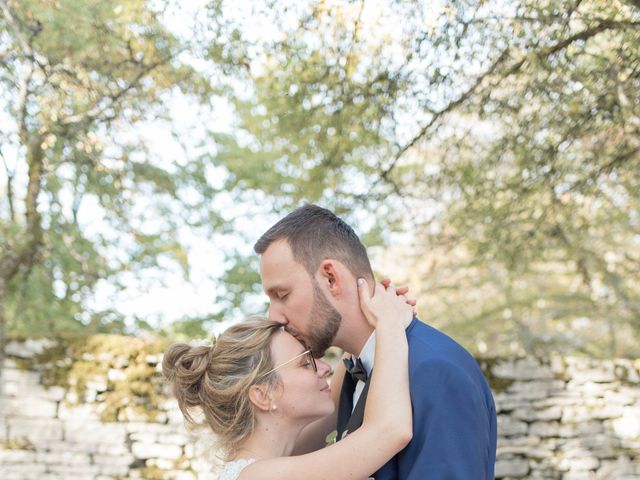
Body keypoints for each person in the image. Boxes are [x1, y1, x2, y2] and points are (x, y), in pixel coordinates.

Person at [254, 204, 497, 479]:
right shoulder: (350, 374)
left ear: (331, 278)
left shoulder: (434, 369)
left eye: (282, 294)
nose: (273, 316)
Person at [162, 279, 414, 480]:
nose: (325, 368)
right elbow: (390, 430)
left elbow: (337, 397)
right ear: (262, 395)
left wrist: (361, 322)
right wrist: (389, 321)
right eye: (305, 363)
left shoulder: (275, 458)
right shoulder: (259, 477)